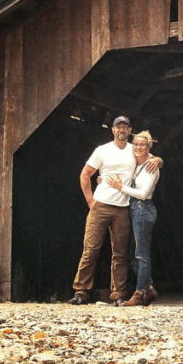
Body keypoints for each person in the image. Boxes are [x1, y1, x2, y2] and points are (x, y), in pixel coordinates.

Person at [67, 116, 162, 306]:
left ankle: (118, 294)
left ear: (130, 130)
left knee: (119, 253)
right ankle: (81, 291)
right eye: (118, 127)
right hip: (100, 204)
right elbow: (85, 174)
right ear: (112, 130)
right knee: (91, 248)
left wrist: (159, 160)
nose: (121, 130)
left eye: (125, 128)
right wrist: (90, 200)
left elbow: (150, 159)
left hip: (123, 208)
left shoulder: (133, 150)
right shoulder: (102, 150)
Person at [108, 130, 159, 308]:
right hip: (134, 209)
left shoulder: (151, 167)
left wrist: (121, 187)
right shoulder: (136, 165)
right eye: (135, 144)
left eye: (142, 144)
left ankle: (140, 293)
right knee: (132, 255)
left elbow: (144, 194)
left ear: (148, 147)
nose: (138, 147)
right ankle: (149, 287)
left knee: (141, 254)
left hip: (143, 209)